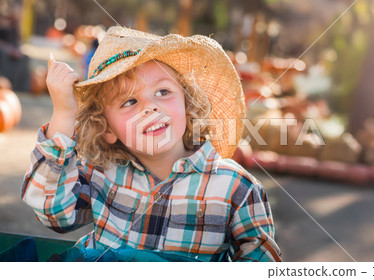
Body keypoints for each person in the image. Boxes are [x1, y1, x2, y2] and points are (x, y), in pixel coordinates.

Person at [21, 26, 281, 262]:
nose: (150, 107)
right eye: (129, 102)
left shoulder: (236, 188)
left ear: (188, 106)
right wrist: (64, 115)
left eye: (163, 92)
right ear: (107, 129)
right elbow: (53, 214)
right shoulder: (101, 173)